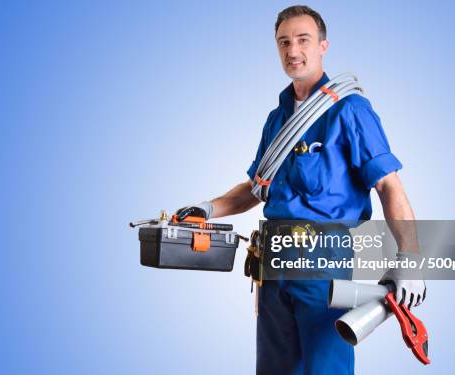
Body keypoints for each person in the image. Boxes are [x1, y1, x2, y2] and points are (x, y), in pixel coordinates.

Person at [176, 5, 425, 375]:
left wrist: (410, 259)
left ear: (323, 45)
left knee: (326, 367)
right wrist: (207, 209)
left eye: (303, 40)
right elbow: (257, 187)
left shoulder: (350, 110)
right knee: (274, 368)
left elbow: (389, 185)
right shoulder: (277, 119)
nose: (293, 51)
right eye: (284, 42)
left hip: (322, 262)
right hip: (272, 265)